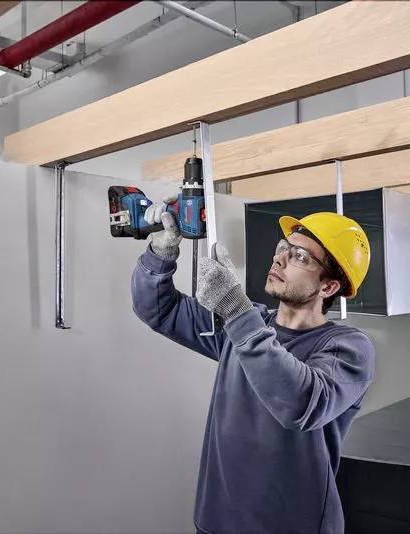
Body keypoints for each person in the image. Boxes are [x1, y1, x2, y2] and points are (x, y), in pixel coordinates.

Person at [131, 199, 376, 534]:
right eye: (284, 248)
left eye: (300, 257)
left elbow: (302, 403)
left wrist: (235, 309)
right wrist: (161, 252)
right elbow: (158, 310)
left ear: (328, 286)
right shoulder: (249, 323)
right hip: (217, 519)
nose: (279, 258)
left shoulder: (347, 348)